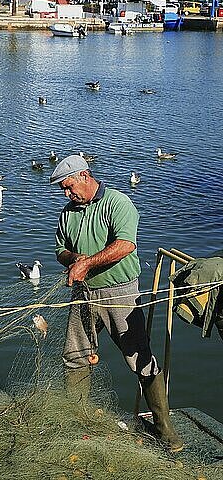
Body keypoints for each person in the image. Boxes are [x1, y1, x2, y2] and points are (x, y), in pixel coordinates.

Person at [50, 154, 183, 453]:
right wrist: (73, 259)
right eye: (63, 190)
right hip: (82, 295)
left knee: (140, 357)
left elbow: (125, 245)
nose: (67, 193)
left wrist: (89, 263)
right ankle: (78, 423)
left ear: (84, 176)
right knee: (75, 357)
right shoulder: (67, 213)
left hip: (120, 293)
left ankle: (166, 431)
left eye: (69, 186)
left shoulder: (118, 203)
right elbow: (60, 248)